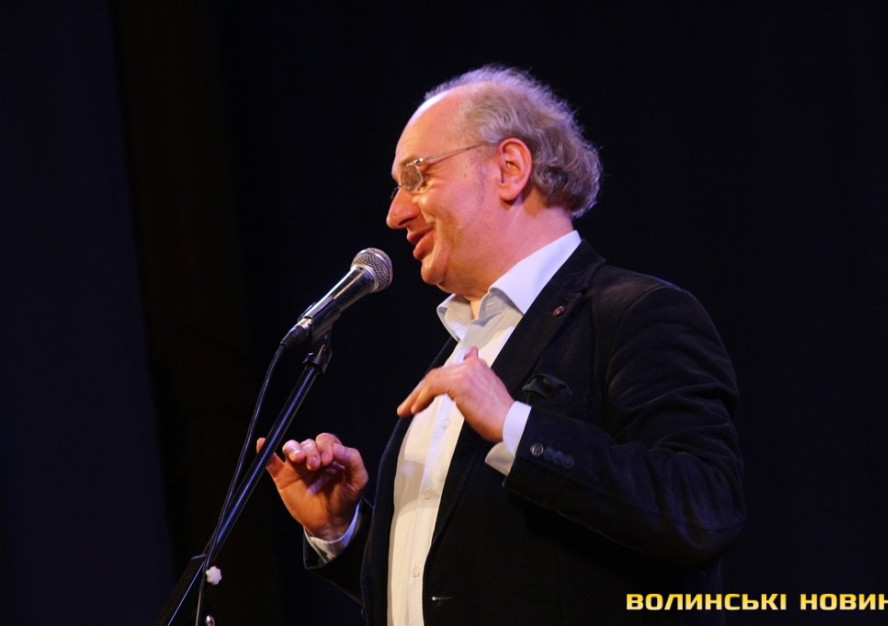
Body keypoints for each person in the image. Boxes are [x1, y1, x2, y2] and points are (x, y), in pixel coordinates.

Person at [259, 65, 745, 625]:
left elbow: (703, 509)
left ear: (509, 168)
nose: (395, 214)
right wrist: (341, 531)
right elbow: (461, 582)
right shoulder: (461, 349)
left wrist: (516, 426)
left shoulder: (635, 314)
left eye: (416, 176)